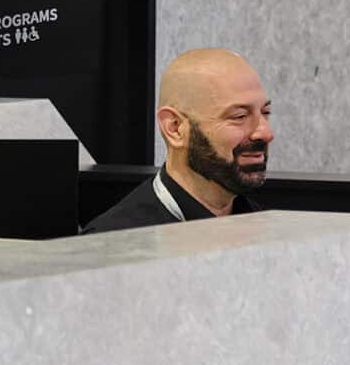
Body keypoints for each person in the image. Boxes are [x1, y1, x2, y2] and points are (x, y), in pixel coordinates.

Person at [85, 48, 275, 232]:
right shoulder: (114, 245)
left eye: (265, 113)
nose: (266, 133)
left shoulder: (268, 230)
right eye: (239, 116)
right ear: (175, 128)